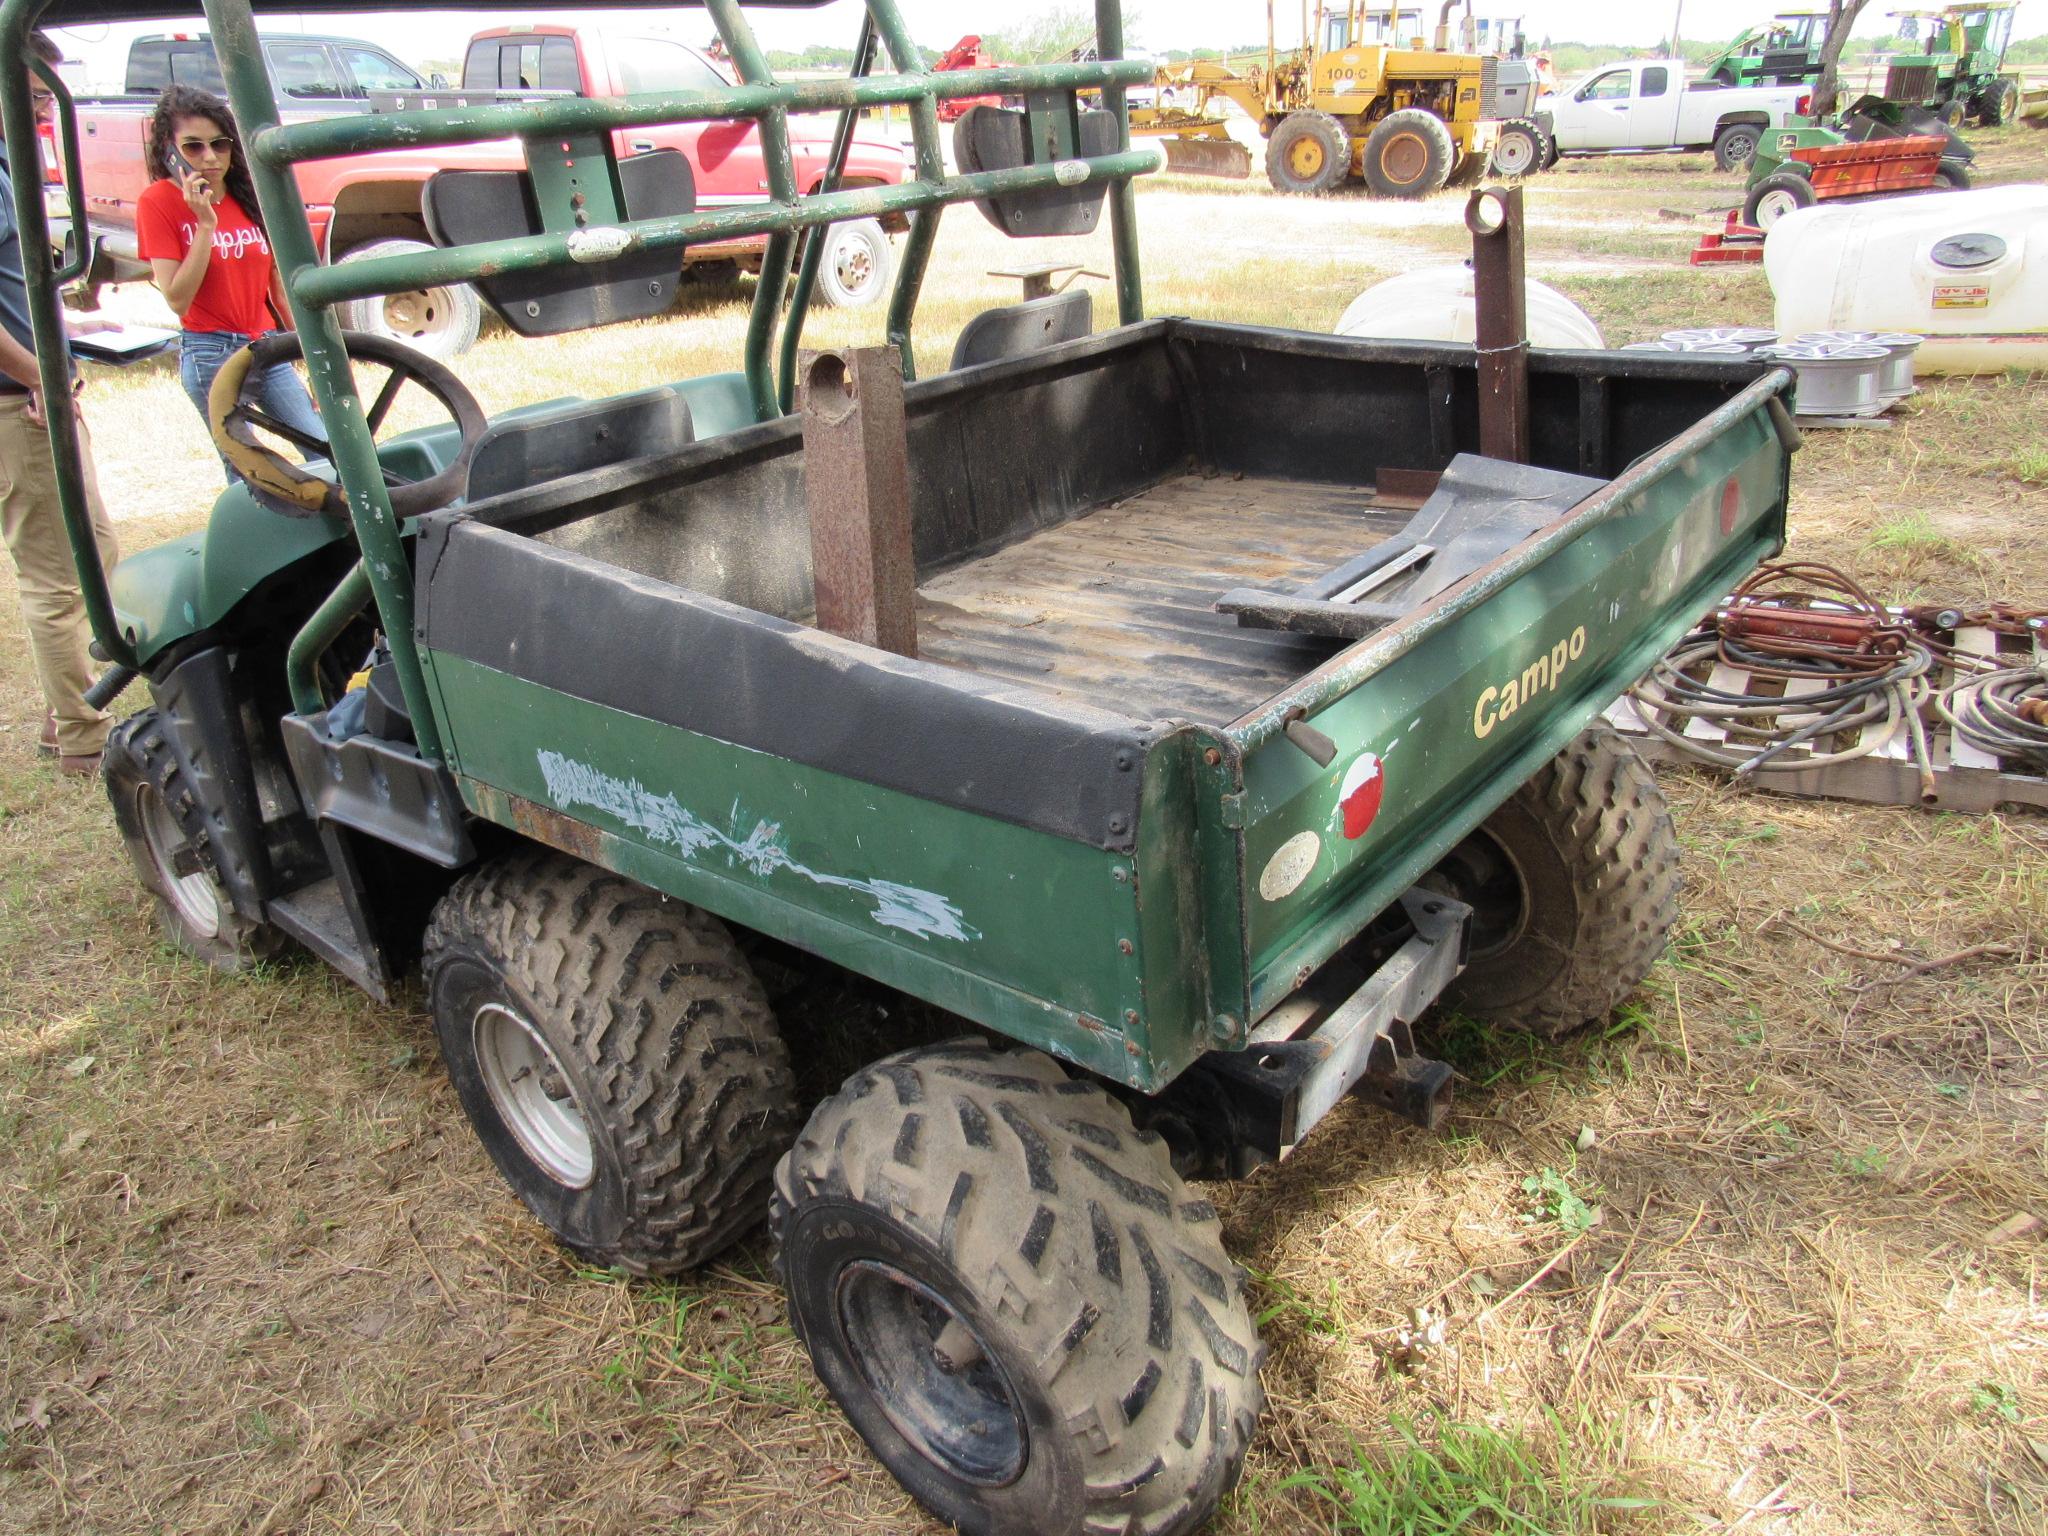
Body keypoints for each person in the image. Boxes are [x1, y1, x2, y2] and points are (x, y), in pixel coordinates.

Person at [0, 33, 121, 776]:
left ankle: (66, 710)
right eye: (38, 92)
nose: (46, 108)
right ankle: (81, 735)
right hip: (19, 400)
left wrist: (68, 327)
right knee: (54, 572)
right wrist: (36, 374)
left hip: (33, 386)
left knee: (93, 548)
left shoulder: (11, 159)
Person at [135, 85, 326, 482]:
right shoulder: (158, 202)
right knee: (249, 471)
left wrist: (307, 352)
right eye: (193, 147)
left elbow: (276, 281)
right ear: (169, 151)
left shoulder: (247, 194)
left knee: (323, 447)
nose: (209, 158)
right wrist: (205, 223)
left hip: (265, 345)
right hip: (210, 350)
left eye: (219, 145)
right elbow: (176, 297)